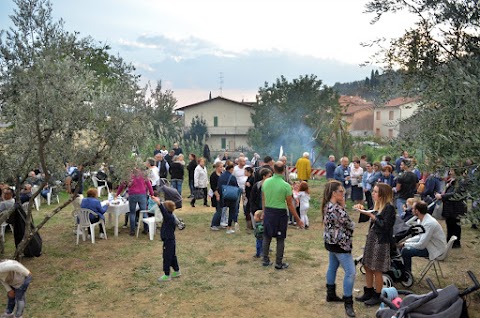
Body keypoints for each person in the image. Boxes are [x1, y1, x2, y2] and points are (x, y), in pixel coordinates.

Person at [354, 183, 396, 306]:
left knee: (377, 269)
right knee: (367, 265)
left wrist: (372, 216)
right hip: (372, 239)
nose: (373, 193)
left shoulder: (389, 208)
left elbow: (385, 226)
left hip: (381, 241)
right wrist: (362, 209)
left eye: (376, 191)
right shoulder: (378, 205)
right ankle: (368, 291)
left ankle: (378, 295)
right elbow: (367, 217)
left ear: (383, 194)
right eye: (373, 191)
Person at [322, 180, 356, 317]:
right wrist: (343, 207)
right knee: (351, 272)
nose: (344, 194)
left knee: (333, 266)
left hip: (331, 242)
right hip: (340, 244)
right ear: (334, 193)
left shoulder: (328, 205)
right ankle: (348, 303)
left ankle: (330, 294)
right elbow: (350, 224)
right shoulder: (337, 209)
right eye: (341, 191)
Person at [261, 161, 304, 269]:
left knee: (267, 236)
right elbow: (290, 205)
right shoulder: (286, 186)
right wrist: (298, 219)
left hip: (269, 211)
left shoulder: (265, 182)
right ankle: (278, 263)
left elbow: (263, 199)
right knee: (280, 238)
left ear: (273, 170)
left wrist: (263, 211)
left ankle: (265, 260)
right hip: (280, 213)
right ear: (284, 170)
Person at [399, 200, 446, 274]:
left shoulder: (429, 223)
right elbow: (419, 237)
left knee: (406, 251)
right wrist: (406, 241)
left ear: (417, 211)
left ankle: (407, 274)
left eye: (413, 209)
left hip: (435, 249)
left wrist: (405, 244)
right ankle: (403, 271)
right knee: (402, 247)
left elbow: (421, 244)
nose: (411, 210)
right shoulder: (423, 219)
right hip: (430, 244)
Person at [116, 168, 154, 236]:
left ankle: (132, 231)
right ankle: (146, 229)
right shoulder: (143, 175)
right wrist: (152, 194)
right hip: (142, 194)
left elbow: (122, 185)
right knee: (144, 212)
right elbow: (149, 184)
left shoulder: (129, 176)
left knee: (132, 213)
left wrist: (117, 194)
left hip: (132, 195)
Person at [435, 167, 467, 248]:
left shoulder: (461, 182)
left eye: (452, 170)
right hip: (450, 207)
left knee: (455, 225)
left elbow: (455, 194)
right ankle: (449, 240)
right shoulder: (452, 180)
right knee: (449, 224)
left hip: (455, 207)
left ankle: (455, 242)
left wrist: (442, 196)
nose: (450, 172)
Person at [151, 199, 181, 282]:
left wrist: (159, 203)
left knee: (166, 257)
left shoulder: (168, 217)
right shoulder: (170, 216)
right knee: (172, 256)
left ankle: (167, 275)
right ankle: (177, 271)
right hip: (171, 240)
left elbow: (163, 210)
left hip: (168, 241)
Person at [217, 163, 240, 234]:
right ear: (231, 169)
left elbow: (219, 186)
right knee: (231, 211)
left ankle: (221, 222)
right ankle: (229, 226)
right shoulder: (232, 177)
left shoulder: (221, 176)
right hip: (231, 196)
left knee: (222, 209)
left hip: (223, 195)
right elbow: (236, 186)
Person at [209, 162, 224, 230]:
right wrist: (217, 195)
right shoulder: (213, 175)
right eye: (221, 167)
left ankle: (218, 223)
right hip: (216, 194)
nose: (222, 168)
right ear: (217, 167)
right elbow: (213, 187)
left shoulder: (222, 174)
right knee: (218, 210)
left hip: (222, 194)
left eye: (222, 167)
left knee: (221, 209)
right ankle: (213, 224)